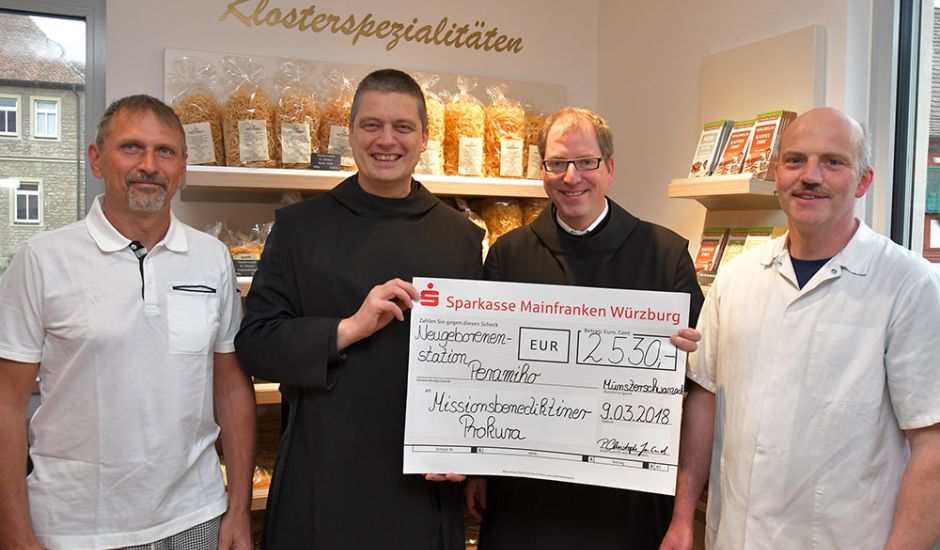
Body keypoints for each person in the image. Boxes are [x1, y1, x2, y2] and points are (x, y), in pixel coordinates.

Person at [660, 107, 940, 550]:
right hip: (735, 537)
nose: (810, 176)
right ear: (776, 173)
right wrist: (681, 519)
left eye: (833, 161)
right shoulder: (736, 278)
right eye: (795, 160)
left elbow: (932, 444)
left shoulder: (909, 285)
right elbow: (705, 400)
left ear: (863, 181)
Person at [234, 69, 483, 549]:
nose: (386, 140)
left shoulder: (461, 238)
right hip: (323, 479)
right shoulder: (299, 228)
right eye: (372, 125)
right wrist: (346, 329)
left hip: (420, 489)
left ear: (424, 138)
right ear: (350, 133)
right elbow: (256, 344)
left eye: (402, 127)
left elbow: (480, 365)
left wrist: (472, 454)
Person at [0, 94, 256, 549]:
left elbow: (231, 388)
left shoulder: (211, 257)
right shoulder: (42, 259)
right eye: (131, 147)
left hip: (195, 517)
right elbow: (7, 403)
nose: (149, 165)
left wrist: (238, 507)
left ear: (183, 168)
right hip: (77, 527)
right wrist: (15, 532)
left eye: (165, 151)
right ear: (96, 159)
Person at [463, 107, 704, 550]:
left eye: (586, 162)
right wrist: (478, 467)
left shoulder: (666, 255)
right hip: (528, 492)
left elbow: (699, 383)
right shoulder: (508, 256)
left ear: (609, 168)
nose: (571, 177)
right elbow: (485, 374)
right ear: (543, 171)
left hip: (625, 493)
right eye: (557, 163)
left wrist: (689, 354)